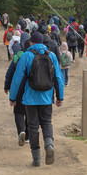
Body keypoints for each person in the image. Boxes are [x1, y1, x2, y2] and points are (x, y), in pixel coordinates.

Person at [9, 31, 64, 167]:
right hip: (46, 97)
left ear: (31, 42)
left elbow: (17, 79)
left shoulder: (26, 56)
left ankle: (37, 158)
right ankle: (49, 144)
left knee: (32, 126)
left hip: (30, 99)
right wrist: (60, 97)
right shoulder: (51, 55)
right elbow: (58, 78)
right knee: (46, 123)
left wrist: (13, 97)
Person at [4, 44, 29, 146]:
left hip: (18, 89)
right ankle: (27, 136)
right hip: (30, 90)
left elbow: (9, 73)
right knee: (29, 113)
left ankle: (21, 131)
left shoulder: (17, 57)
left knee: (18, 112)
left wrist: (7, 86)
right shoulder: (32, 57)